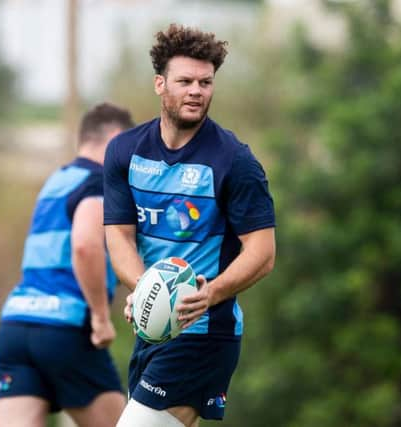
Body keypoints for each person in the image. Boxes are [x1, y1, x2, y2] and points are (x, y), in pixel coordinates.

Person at [103, 24, 276, 427]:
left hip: (205, 336)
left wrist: (210, 294)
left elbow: (263, 254)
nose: (196, 90)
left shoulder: (235, 162)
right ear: (160, 84)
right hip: (153, 336)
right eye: (185, 81)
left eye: (205, 82)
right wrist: (142, 287)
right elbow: (120, 237)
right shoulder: (124, 152)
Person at [0, 103, 135, 427]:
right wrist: (100, 317)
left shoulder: (57, 181)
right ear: (114, 140)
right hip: (64, 327)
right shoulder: (100, 180)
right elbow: (85, 245)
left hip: (16, 326)